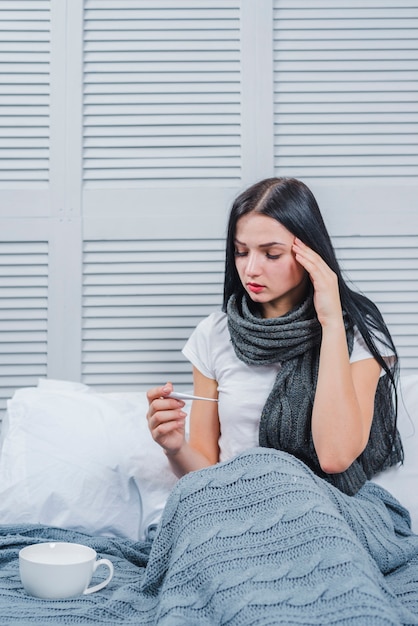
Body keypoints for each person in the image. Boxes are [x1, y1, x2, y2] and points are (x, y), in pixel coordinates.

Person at [146, 176, 403, 495]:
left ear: (310, 253)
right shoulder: (213, 334)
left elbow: (335, 457)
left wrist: (332, 323)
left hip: (321, 507)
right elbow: (206, 473)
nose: (251, 269)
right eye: (241, 252)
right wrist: (174, 447)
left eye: (271, 254)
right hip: (232, 506)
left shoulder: (360, 333)